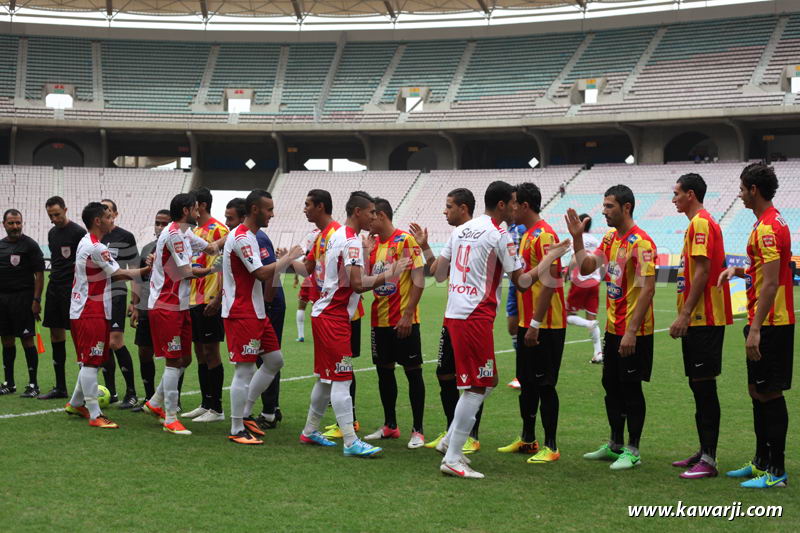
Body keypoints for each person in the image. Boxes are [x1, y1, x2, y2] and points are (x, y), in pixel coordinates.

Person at [431, 181, 570, 479]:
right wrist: (550, 257)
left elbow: (439, 274)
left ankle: (449, 440)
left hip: (454, 313)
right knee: (477, 386)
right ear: (504, 205)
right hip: (474, 316)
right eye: (514, 201)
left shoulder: (460, 230)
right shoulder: (499, 234)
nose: (516, 206)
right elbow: (522, 281)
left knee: (487, 381)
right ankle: (453, 456)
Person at [297, 191, 406, 457]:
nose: (374, 217)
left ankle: (310, 431)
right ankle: (350, 441)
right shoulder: (351, 242)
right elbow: (358, 284)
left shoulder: (338, 236)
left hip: (325, 313)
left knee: (325, 379)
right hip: (333, 317)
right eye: (371, 212)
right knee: (342, 380)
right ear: (358, 212)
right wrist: (391, 273)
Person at [566, 184, 656, 471]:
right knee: (611, 386)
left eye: (609, 206)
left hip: (634, 332)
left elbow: (647, 289)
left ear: (626, 207)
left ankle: (633, 449)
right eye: (603, 206)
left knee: (631, 389)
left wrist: (631, 331)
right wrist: (577, 240)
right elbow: (587, 266)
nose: (604, 212)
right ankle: (615, 443)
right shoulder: (610, 238)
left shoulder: (642, 243)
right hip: (613, 328)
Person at [719, 163, 793, 489]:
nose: (739, 193)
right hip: (764, 320)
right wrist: (740, 273)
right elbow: (764, 272)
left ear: (754, 190)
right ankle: (761, 462)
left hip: (772, 323)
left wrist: (756, 328)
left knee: (770, 393)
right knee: (756, 391)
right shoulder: (767, 222)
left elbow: (772, 282)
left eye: (742, 187)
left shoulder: (767, 228)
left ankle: (776, 472)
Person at [142, 193, 227, 436]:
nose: (199, 211)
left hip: (179, 305)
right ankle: (170, 418)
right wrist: (213, 269)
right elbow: (186, 271)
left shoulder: (185, 231)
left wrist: (232, 235)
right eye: (195, 208)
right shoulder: (174, 235)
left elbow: (210, 247)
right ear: (187, 210)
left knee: (185, 359)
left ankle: (155, 403)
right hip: (167, 305)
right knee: (173, 361)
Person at [222, 189, 301, 445]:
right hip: (242, 311)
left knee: (274, 361)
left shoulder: (252, 237)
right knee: (244, 369)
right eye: (269, 209)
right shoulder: (243, 237)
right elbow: (261, 274)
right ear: (255, 209)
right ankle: (236, 428)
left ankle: (245, 413)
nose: (272, 214)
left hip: (255, 311)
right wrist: (288, 257)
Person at [411, 188, 485, 453]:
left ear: (463, 208)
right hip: (452, 318)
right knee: (445, 374)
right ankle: (452, 430)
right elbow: (438, 274)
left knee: (473, 379)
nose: (445, 211)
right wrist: (425, 246)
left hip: (473, 319)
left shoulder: (481, 235)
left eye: (449, 206)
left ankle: (471, 436)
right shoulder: (457, 235)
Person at [669, 174, 733, 479]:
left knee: (705, 387)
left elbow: (704, 271)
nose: (674, 199)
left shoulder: (702, 224)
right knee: (699, 385)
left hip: (704, 319)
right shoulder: (697, 223)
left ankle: (709, 459)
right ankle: (704, 450)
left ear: (691, 194)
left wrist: (685, 314)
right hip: (699, 318)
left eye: (677, 193)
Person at [498, 182, 566, 464]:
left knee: (545, 384)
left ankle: (551, 445)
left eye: (513, 203)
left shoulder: (545, 235)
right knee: (526, 382)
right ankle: (528, 438)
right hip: (530, 322)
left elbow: (550, 283)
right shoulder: (527, 235)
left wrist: (536, 322)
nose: (510, 208)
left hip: (546, 324)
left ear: (524, 205)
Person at [65, 202, 150, 429]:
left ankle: (75, 403)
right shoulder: (96, 247)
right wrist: (144, 271)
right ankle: (95, 414)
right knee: (92, 363)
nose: (112, 219)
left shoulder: (88, 242)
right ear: (98, 221)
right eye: (108, 216)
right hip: (89, 311)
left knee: (90, 360)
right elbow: (119, 273)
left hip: (87, 309)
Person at [363, 197, 427, 449]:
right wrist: (367, 253)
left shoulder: (405, 241)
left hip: (403, 319)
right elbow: (367, 282)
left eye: (371, 216)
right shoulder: (374, 243)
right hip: (378, 320)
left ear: (380, 215)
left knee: (413, 372)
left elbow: (419, 279)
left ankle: (418, 430)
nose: (368, 221)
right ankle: (390, 425)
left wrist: (408, 314)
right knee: (384, 371)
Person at [183, 188, 228, 423]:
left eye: (191, 204)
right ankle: (206, 402)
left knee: (211, 352)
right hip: (193, 298)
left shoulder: (219, 229)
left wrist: (218, 296)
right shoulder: (195, 230)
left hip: (209, 298)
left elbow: (223, 264)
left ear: (200, 205)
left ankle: (217, 409)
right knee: (200, 351)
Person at [40, 196, 86, 399]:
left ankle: (84, 386)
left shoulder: (78, 232)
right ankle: (60, 387)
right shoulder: (52, 233)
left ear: (65, 210)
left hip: (72, 289)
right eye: (51, 215)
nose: (54, 219)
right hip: (54, 288)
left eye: (57, 214)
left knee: (78, 337)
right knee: (55, 335)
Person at [0, 209, 45, 397]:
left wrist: (36, 300)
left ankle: (33, 384)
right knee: (6, 339)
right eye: (11, 223)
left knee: (27, 340)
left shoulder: (30, 245)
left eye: (18, 222)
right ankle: (9, 383)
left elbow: (40, 275)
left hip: (24, 299)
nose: (15, 226)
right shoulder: (0, 246)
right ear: (4, 224)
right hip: (2, 300)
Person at [99, 198, 139, 408]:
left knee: (115, 342)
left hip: (116, 294)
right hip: (97, 296)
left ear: (115, 214)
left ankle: (131, 392)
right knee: (104, 344)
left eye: (108, 210)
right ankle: (110, 391)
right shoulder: (93, 237)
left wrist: (134, 301)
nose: (105, 213)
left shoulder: (125, 236)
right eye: (102, 210)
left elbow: (134, 269)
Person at [130, 209, 170, 411]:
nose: (160, 227)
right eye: (157, 223)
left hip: (168, 308)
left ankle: (173, 400)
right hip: (146, 308)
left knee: (172, 356)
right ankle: (148, 398)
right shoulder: (146, 248)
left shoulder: (176, 248)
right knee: (144, 353)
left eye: (164, 223)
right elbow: (138, 279)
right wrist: (135, 305)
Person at [565, 214, 603, 364]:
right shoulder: (596, 241)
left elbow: (575, 259)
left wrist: (567, 273)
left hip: (580, 282)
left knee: (566, 315)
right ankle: (598, 352)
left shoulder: (578, 239)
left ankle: (588, 324)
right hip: (595, 282)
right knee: (592, 316)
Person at [505, 222, 527, 389]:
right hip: (513, 283)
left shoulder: (521, 229)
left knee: (524, 327)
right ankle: (523, 372)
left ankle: (525, 373)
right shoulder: (510, 229)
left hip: (523, 281)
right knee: (513, 327)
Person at [295, 228, 320, 342]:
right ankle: (319, 335)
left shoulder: (313, 234)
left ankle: (301, 335)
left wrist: (296, 278)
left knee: (301, 306)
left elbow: (303, 263)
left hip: (307, 279)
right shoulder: (324, 238)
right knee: (318, 307)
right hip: (318, 278)